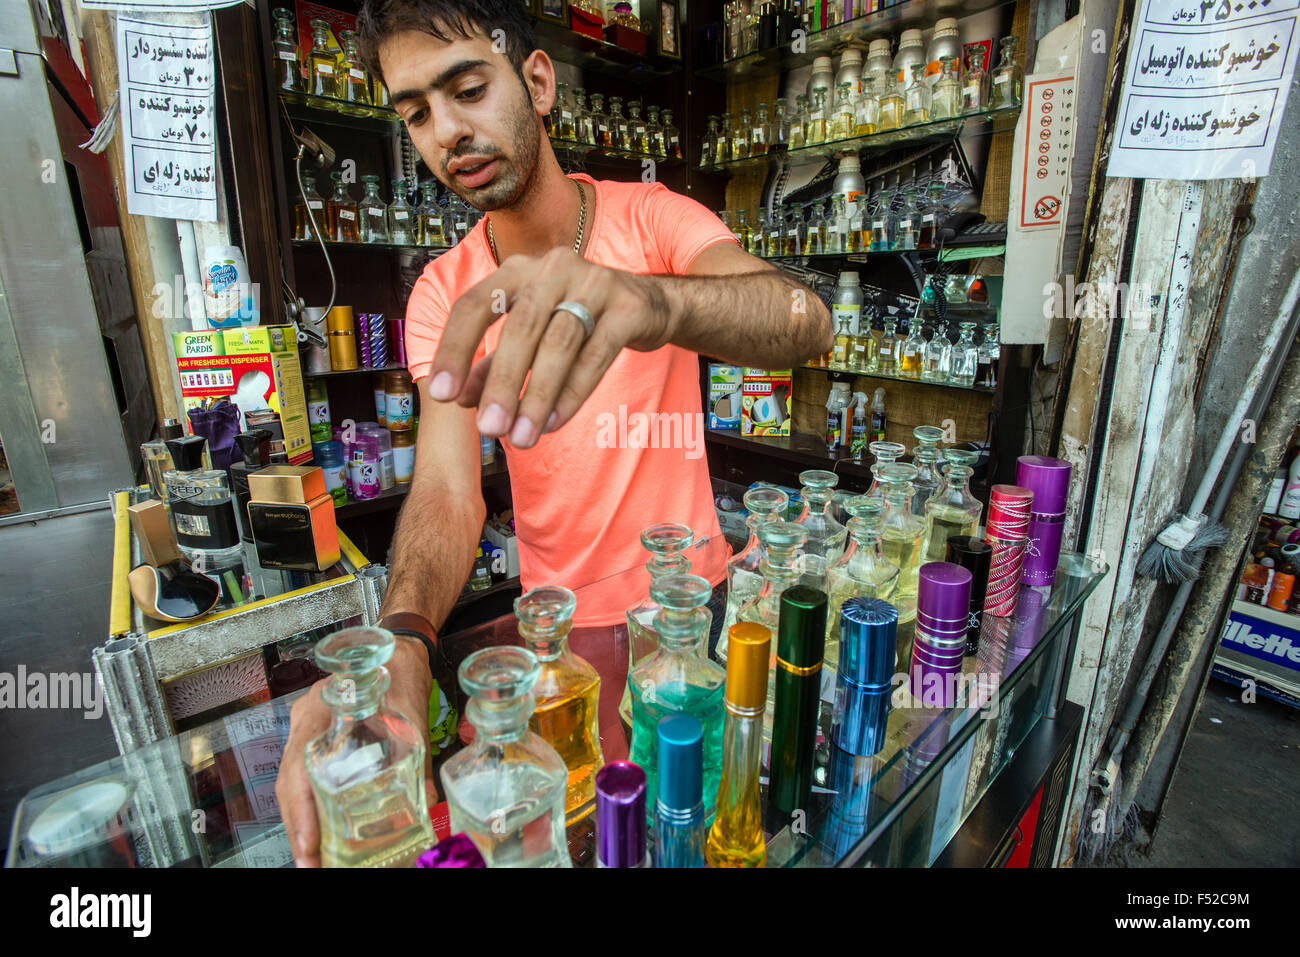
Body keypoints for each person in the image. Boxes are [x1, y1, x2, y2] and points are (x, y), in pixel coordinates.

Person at [275, 0, 832, 867]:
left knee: (706, 834)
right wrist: (405, 638)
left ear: (536, 82)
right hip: (557, 647)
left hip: (696, 619)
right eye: (417, 112)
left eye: (467, 88)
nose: (447, 131)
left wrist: (657, 299)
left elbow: (804, 320)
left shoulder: (653, 219)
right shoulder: (443, 294)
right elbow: (450, 489)